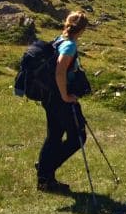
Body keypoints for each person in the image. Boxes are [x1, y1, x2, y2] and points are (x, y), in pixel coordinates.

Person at [36, 10, 89, 193]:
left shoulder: (58, 39)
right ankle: (46, 169)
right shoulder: (69, 46)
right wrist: (66, 95)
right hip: (60, 98)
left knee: (55, 135)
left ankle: (45, 179)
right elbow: (60, 71)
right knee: (78, 136)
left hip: (50, 97)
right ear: (82, 30)